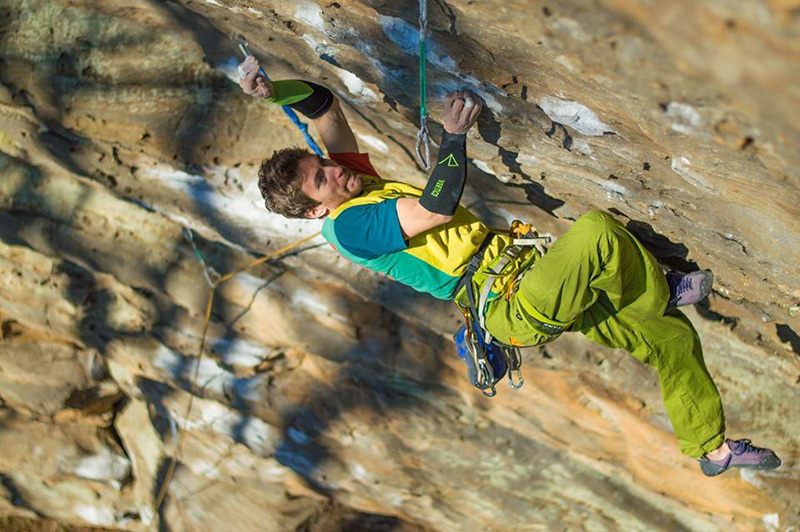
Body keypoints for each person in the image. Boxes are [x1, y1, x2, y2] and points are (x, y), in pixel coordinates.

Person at [238, 55, 781, 477]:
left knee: (671, 338)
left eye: (323, 163)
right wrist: (453, 137)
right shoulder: (348, 226)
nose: (333, 169)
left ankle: (711, 448)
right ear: (313, 209)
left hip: (526, 272)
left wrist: (271, 93)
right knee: (595, 233)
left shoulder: (349, 181)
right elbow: (434, 208)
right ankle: (660, 285)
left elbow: (325, 108)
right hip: (507, 303)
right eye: (320, 179)